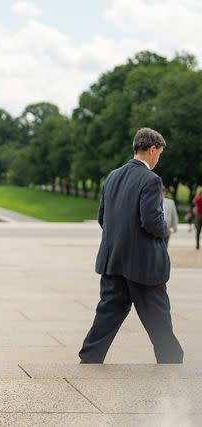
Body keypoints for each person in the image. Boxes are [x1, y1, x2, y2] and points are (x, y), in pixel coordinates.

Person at [79, 128, 183, 364]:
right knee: (158, 320)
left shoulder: (112, 176)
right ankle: (172, 362)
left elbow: (102, 217)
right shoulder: (151, 180)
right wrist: (166, 230)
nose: (158, 159)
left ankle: (89, 358)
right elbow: (152, 221)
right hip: (143, 265)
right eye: (159, 154)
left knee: (107, 315)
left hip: (113, 261)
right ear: (153, 149)